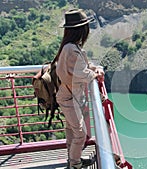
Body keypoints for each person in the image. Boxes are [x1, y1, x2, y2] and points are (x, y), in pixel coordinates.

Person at [55, 9, 105, 169]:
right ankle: (75, 164)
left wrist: (95, 68)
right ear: (81, 30)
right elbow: (82, 73)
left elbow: (84, 66)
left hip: (68, 96)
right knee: (80, 134)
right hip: (69, 98)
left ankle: (73, 160)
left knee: (71, 130)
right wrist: (95, 74)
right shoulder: (71, 49)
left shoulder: (70, 47)